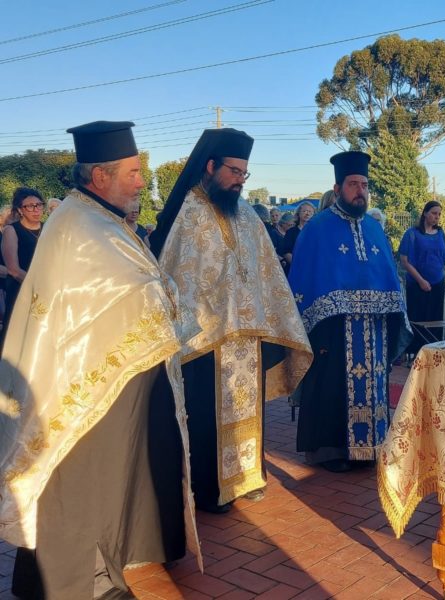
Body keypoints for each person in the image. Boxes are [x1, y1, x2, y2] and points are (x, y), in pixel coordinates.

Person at [0, 121, 200, 600]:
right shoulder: (80, 224)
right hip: (86, 380)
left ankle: (89, 570)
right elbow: (125, 291)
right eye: (132, 172)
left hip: (109, 374)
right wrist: (167, 295)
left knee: (108, 476)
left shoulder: (102, 219)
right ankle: (81, 580)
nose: (141, 182)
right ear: (99, 176)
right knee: (84, 477)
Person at [151, 127, 312, 514]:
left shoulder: (246, 215)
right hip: (207, 340)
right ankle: (211, 488)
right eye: (234, 172)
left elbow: (266, 270)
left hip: (247, 337)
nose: (240, 180)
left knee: (247, 408)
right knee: (207, 412)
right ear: (210, 166)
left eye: (244, 173)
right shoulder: (188, 213)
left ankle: (248, 476)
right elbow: (177, 275)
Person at [288, 151, 412, 473]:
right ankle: (331, 451)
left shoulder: (373, 228)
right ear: (338, 188)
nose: (360, 191)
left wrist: (394, 309)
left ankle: (371, 447)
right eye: (354, 184)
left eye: (364, 185)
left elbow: (387, 273)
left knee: (374, 386)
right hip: (332, 330)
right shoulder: (317, 228)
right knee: (333, 385)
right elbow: (304, 278)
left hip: (374, 328)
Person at [398, 201, 445, 355]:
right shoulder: (412, 234)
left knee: (435, 319)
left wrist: (441, 276)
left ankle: (434, 352)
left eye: (439, 214)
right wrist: (421, 280)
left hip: (437, 284)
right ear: (425, 213)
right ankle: (416, 354)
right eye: (434, 213)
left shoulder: (440, 234)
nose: (437, 217)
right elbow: (404, 260)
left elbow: (444, 257)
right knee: (418, 319)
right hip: (416, 284)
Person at [0, 188, 45, 350]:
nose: (36, 209)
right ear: (20, 210)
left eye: (39, 205)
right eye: (30, 206)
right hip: (21, 290)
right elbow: (13, 269)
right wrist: (38, 286)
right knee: (18, 339)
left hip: (47, 290)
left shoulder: (49, 228)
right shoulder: (11, 230)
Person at [281, 201, 315, 271]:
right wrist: (299, 265)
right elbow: (286, 252)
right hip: (295, 269)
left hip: (312, 269)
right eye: (304, 211)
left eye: (310, 211)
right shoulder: (291, 232)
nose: (307, 213)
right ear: (298, 213)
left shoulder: (316, 232)